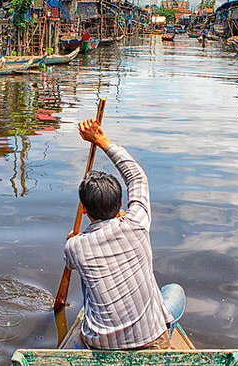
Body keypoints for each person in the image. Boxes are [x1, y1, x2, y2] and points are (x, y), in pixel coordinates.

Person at [64, 120, 185, 350]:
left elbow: (71, 260)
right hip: (152, 339)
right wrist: (101, 140)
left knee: (86, 274)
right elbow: (137, 178)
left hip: (99, 342)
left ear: (83, 209)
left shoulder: (74, 247)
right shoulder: (137, 222)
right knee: (174, 292)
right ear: (121, 203)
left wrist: (73, 239)